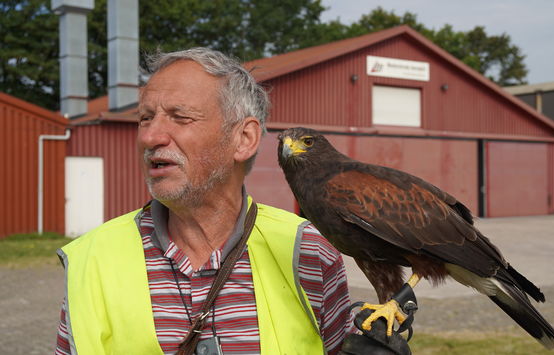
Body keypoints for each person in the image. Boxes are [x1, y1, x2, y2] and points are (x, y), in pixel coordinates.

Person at [54, 48, 354, 354]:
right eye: (145, 118)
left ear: (244, 139)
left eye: (180, 117)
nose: (150, 137)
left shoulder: (306, 250)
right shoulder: (92, 259)